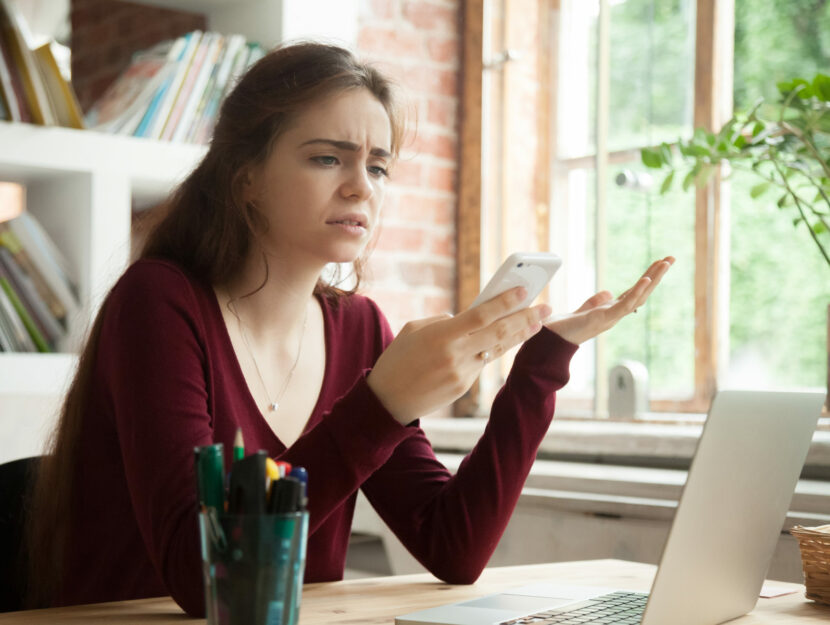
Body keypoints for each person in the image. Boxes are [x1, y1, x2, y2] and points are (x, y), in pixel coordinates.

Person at [26, 42, 673, 616]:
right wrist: (383, 403)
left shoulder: (359, 327)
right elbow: (209, 584)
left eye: (379, 166)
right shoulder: (159, 304)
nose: (361, 187)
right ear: (245, 177)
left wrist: (540, 365)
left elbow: (453, 546)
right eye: (328, 158)